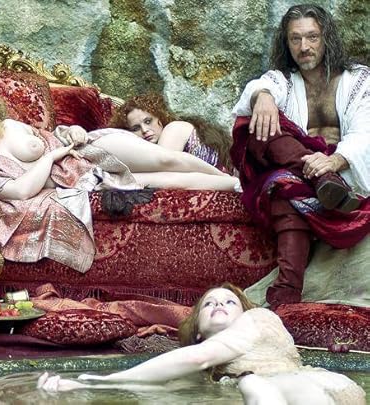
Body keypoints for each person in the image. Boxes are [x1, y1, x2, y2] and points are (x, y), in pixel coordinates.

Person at [0, 65, 240, 272]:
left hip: (88, 148)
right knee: (164, 180)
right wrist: (49, 159)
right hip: (85, 179)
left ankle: (227, 176)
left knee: (166, 159)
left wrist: (73, 131)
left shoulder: (11, 125)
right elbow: (22, 191)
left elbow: (55, 134)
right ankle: (234, 186)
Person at [230, 4, 370, 308]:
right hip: (307, 176)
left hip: (343, 172)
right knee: (254, 124)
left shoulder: (358, 81)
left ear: (326, 38)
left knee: (285, 189)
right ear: (287, 43)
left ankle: (287, 290)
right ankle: (324, 182)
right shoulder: (282, 80)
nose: (304, 47)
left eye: (312, 37)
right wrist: (262, 97)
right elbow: (261, 87)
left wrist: (334, 161)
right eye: (295, 39)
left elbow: (365, 132)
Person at [37, 283, 366, 405]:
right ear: (197, 331)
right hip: (309, 394)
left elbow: (195, 358)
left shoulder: (259, 319)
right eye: (209, 304)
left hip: (312, 388)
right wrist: (77, 390)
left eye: (230, 302)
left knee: (253, 384)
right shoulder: (212, 373)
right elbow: (152, 388)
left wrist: (99, 380)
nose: (219, 304)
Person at [109, 93, 233, 173]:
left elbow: (161, 167)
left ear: (160, 118)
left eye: (148, 121)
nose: (145, 130)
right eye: (136, 128)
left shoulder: (174, 128)